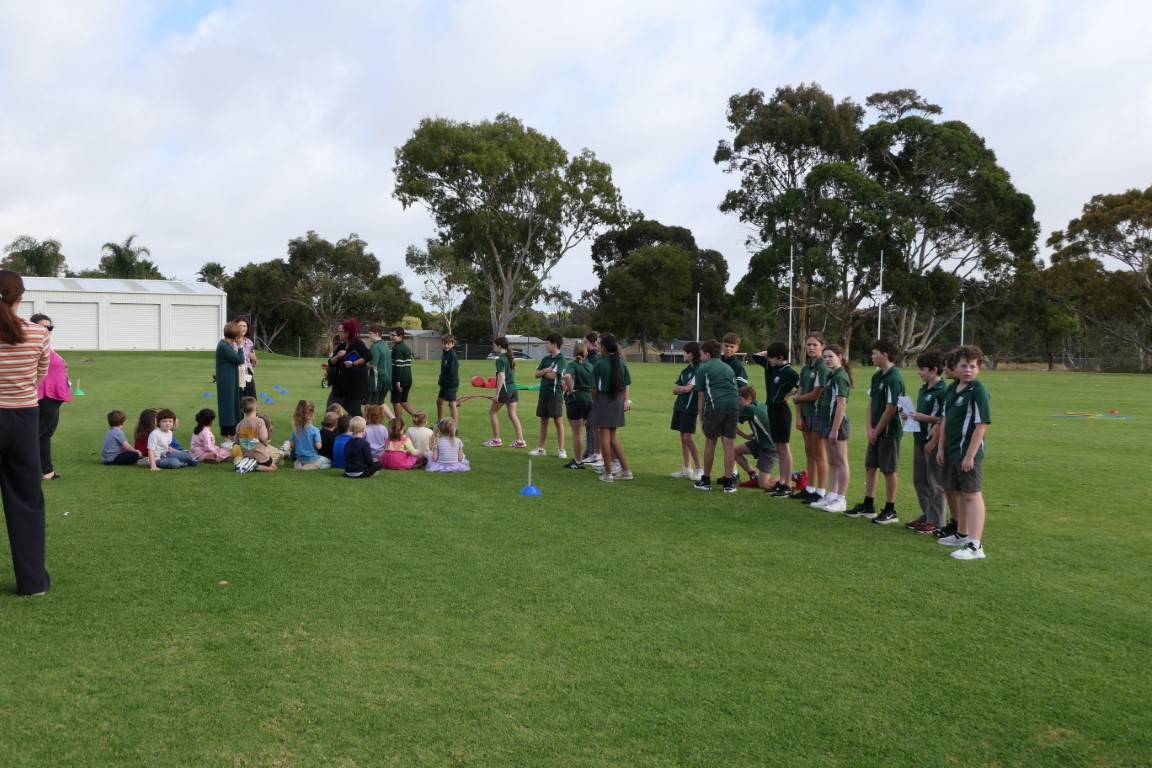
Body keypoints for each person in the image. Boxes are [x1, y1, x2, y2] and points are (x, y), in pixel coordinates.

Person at [0, 270, 51, 595]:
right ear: (20, 297)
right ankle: (32, 583)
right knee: (26, 500)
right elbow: (39, 376)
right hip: (23, 419)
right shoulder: (38, 333)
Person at [936, 345, 991, 561]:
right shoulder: (951, 389)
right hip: (951, 451)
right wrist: (941, 448)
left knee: (972, 494)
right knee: (957, 491)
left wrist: (970, 455)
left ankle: (975, 545)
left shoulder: (978, 391)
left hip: (968, 453)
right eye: (963, 366)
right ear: (955, 367)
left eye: (972, 366)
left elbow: (981, 425)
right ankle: (962, 534)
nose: (968, 370)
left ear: (979, 369)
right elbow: (945, 420)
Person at [845, 338, 906, 524]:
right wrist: (869, 428)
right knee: (870, 466)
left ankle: (890, 509)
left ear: (884, 355)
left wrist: (876, 430)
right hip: (875, 431)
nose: (871, 357)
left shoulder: (894, 379)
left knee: (888, 470)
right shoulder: (877, 376)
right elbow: (871, 402)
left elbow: (891, 409)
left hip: (889, 432)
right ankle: (868, 504)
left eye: (874, 353)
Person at [904, 351, 947, 534]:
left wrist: (923, 418)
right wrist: (910, 415)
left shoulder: (942, 390)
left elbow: (943, 418)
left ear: (934, 370)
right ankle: (927, 514)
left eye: (922, 369)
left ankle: (937, 521)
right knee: (919, 480)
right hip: (919, 438)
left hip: (933, 441)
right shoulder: (924, 388)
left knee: (935, 482)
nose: (919, 372)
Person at [750, 341, 799, 497]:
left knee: (784, 448)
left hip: (781, 411)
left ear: (781, 358)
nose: (768, 359)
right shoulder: (771, 366)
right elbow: (756, 356)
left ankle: (787, 484)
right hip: (771, 409)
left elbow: (804, 386)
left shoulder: (789, 371)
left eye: (772, 357)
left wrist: (790, 394)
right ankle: (781, 483)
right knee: (778, 448)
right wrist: (771, 351)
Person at [28, 313, 71, 480]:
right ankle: (23, 469)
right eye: (43, 327)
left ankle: (47, 471)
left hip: (55, 396)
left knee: (45, 434)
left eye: (50, 327)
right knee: (36, 434)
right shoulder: (34, 346)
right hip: (45, 396)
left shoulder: (46, 346)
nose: (47, 330)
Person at [693, 339, 739, 492]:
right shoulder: (728, 367)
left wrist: (701, 417)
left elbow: (701, 395)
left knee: (710, 442)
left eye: (701, 354)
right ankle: (728, 482)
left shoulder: (703, 369)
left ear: (707, 354)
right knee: (729, 444)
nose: (700, 357)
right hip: (733, 406)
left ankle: (706, 480)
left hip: (716, 406)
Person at [811, 345, 852, 513]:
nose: (827, 359)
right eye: (825, 357)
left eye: (830, 356)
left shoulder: (840, 376)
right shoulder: (831, 375)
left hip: (837, 424)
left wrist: (835, 429)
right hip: (827, 422)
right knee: (833, 461)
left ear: (840, 357)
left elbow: (841, 404)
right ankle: (831, 495)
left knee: (841, 461)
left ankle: (841, 499)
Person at [790, 333, 829, 504]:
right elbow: (799, 392)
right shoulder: (806, 368)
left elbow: (815, 394)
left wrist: (797, 398)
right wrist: (798, 416)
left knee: (819, 453)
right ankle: (810, 488)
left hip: (818, 413)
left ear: (822, 346)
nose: (811, 348)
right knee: (809, 452)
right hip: (806, 413)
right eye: (809, 345)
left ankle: (821, 491)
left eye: (815, 345)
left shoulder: (823, 367)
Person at [588, 332, 633, 482]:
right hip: (618, 400)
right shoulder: (620, 361)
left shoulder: (600, 363)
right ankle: (625, 470)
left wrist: (595, 400)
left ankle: (608, 474)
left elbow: (594, 388)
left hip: (604, 400)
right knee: (612, 438)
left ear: (604, 348)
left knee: (605, 437)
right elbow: (626, 383)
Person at [484, 336, 527, 448]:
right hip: (513, 389)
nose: (494, 348)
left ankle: (496, 439)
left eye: (495, 346)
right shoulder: (509, 357)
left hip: (505, 390)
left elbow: (501, 377)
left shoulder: (500, 360)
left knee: (492, 413)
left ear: (499, 346)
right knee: (512, 414)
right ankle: (520, 440)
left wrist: (496, 394)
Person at [734, 386, 780, 491]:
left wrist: (745, 436)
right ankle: (754, 477)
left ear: (749, 399)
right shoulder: (759, 405)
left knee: (764, 485)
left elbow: (731, 423)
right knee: (734, 451)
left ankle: (796, 475)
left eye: (739, 398)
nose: (737, 401)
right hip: (761, 442)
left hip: (769, 448)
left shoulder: (749, 409)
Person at [669, 340, 702, 481]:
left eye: (684, 352)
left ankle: (699, 469)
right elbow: (675, 389)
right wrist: (683, 388)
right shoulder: (685, 370)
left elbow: (688, 389)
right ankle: (687, 468)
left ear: (691, 354)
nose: (683, 354)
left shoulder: (698, 370)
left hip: (690, 408)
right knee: (683, 438)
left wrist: (683, 388)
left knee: (688, 438)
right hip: (679, 406)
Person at [529, 333, 567, 458]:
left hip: (555, 395)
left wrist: (543, 372)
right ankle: (541, 448)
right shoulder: (546, 358)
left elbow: (552, 376)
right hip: (543, 394)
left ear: (554, 345)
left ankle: (561, 449)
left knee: (558, 421)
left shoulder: (561, 360)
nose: (545, 345)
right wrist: (546, 370)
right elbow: (536, 374)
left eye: (547, 343)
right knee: (543, 421)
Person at [562, 341, 593, 470]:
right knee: (580, 431)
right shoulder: (590, 366)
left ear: (574, 353)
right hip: (589, 400)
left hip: (576, 400)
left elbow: (567, 376)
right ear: (586, 353)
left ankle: (578, 461)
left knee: (577, 433)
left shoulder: (573, 365)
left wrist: (570, 390)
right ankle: (579, 459)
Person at [330, 319, 370, 417]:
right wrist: (338, 356)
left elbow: (368, 356)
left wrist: (353, 363)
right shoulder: (342, 346)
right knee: (338, 403)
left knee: (353, 409)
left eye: (340, 331)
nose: (338, 333)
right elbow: (331, 362)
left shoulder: (358, 344)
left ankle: (362, 424)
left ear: (347, 332)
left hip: (357, 384)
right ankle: (349, 423)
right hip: (343, 384)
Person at [215, 321, 246, 440]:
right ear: (234, 335)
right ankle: (226, 438)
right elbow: (240, 360)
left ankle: (233, 436)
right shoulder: (224, 346)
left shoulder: (226, 345)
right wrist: (240, 346)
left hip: (230, 380)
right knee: (227, 408)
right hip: (227, 382)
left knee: (233, 407)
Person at [290, 400, 330, 470]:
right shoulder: (315, 430)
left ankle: (299, 463)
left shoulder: (296, 429)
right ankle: (313, 466)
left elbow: (292, 445)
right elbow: (318, 446)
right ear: (312, 415)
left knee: (302, 461)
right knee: (329, 462)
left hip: (300, 458)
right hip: (312, 458)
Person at [365, 325, 395, 416]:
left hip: (377, 380)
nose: (369, 336)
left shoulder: (374, 346)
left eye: (370, 333)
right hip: (386, 379)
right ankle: (393, 419)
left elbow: (372, 364)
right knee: (380, 402)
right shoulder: (384, 345)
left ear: (376, 334)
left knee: (371, 404)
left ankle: (371, 422)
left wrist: (359, 365)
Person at [581, 331, 600, 463]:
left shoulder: (595, 359)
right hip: (588, 395)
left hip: (593, 395)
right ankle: (589, 451)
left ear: (593, 343)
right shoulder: (588, 357)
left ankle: (593, 452)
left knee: (592, 425)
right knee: (589, 424)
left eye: (585, 342)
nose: (583, 344)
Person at [389, 327, 416, 418]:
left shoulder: (397, 348)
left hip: (400, 380)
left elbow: (399, 366)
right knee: (403, 401)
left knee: (396, 401)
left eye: (393, 335)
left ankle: (399, 423)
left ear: (400, 336)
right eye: (390, 335)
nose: (391, 337)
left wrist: (397, 381)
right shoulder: (406, 347)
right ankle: (420, 418)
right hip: (408, 379)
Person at [436, 334, 460, 423]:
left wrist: (447, 381)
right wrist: (441, 379)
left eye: (449, 344)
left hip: (451, 384)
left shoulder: (452, 355)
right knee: (439, 402)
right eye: (444, 343)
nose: (446, 346)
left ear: (453, 344)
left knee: (452, 404)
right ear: (442, 343)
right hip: (444, 384)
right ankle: (440, 422)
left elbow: (453, 372)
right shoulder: (445, 353)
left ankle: (454, 426)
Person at [234, 317, 258, 400]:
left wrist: (254, 359)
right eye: (240, 326)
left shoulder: (249, 342)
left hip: (248, 375)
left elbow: (252, 364)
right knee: (238, 401)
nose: (242, 328)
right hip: (236, 375)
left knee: (251, 401)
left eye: (244, 326)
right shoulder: (231, 342)